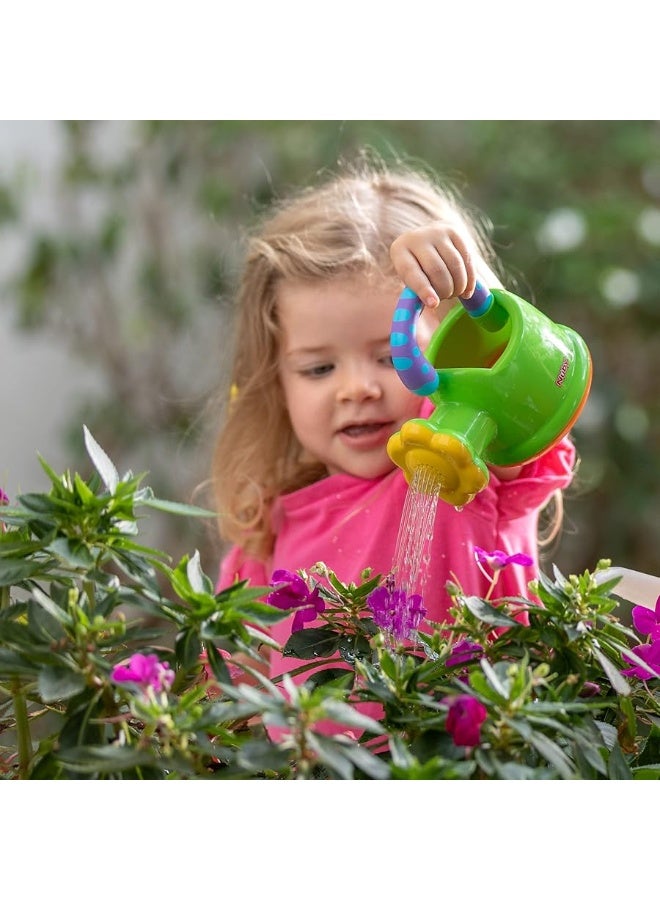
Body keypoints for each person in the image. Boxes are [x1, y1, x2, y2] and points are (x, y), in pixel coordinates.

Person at [209, 157, 576, 715]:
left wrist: (473, 287)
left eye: (391, 355)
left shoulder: (469, 466)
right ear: (273, 383)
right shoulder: (267, 534)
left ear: (459, 351)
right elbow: (234, 699)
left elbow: (529, 380)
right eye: (317, 369)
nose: (356, 388)